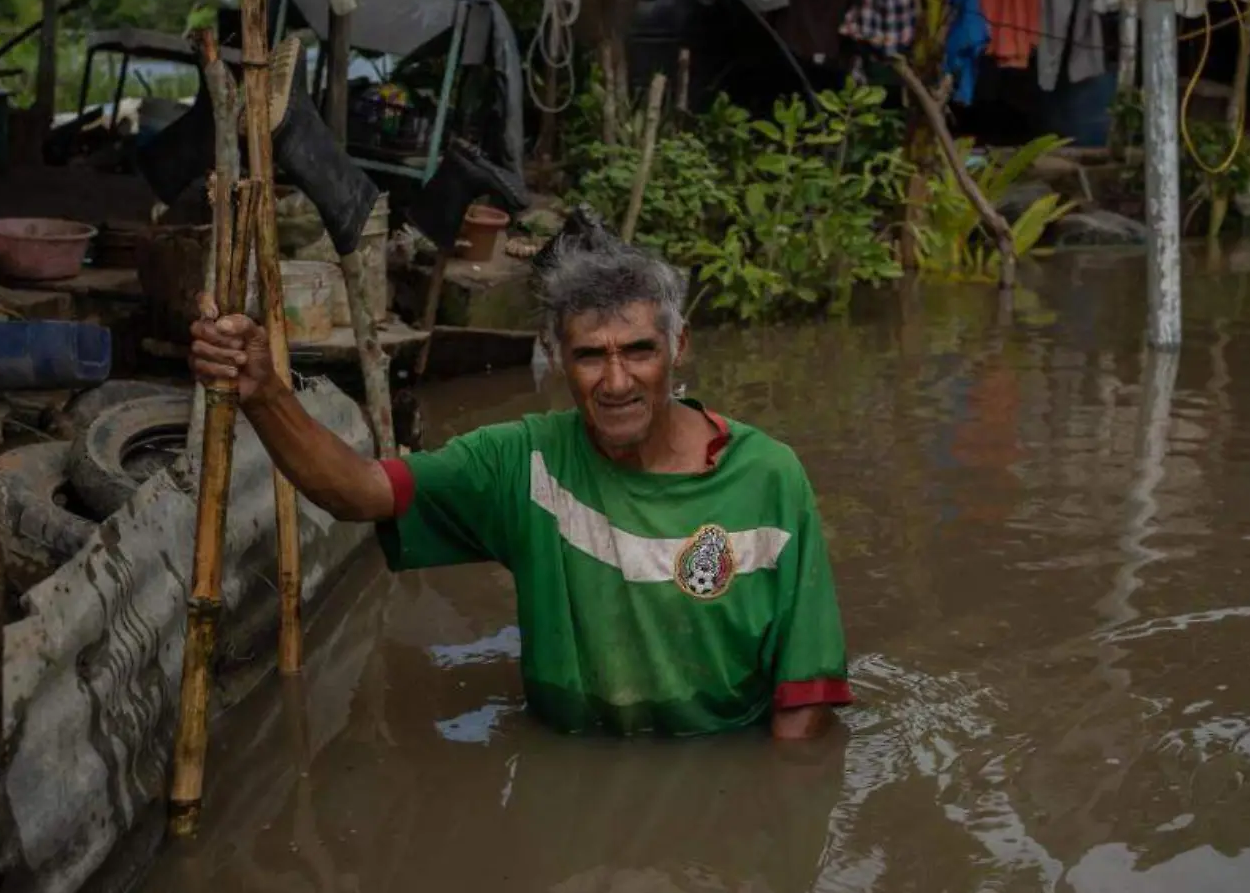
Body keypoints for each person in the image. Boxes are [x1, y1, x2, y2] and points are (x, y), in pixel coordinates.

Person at [189, 240, 850, 740]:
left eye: (639, 351)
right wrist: (266, 394)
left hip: (718, 763)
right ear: (558, 358)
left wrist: (763, 820)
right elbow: (358, 492)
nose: (616, 382)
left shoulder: (769, 477)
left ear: (680, 349)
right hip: (572, 762)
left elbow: (806, 697)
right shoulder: (524, 460)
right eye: (590, 356)